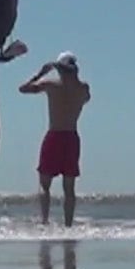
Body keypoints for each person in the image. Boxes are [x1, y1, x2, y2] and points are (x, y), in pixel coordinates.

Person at [18, 51, 90, 226]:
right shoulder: (83, 89)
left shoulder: (51, 85)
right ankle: (68, 225)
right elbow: (86, 98)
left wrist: (41, 73)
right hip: (72, 137)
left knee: (44, 185)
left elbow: (24, 88)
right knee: (69, 188)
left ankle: (44, 221)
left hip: (55, 135)